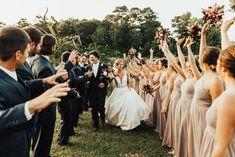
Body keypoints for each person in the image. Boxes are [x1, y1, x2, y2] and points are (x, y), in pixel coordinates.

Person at [0, 26, 70, 157]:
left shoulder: (12, 72)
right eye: (27, 51)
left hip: (21, 142)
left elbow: (24, 84)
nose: (29, 56)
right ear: (18, 54)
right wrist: (31, 106)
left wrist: (44, 81)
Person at [105, 59, 149, 130]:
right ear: (116, 65)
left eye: (122, 64)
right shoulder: (113, 73)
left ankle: (128, 121)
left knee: (128, 105)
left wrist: (129, 88)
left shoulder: (126, 72)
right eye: (119, 64)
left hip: (126, 89)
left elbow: (128, 82)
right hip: (118, 90)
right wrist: (110, 77)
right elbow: (110, 82)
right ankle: (118, 120)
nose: (121, 66)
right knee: (117, 106)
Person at [88, 50, 109, 131]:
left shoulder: (104, 66)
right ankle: (95, 125)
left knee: (101, 106)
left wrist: (104, 83)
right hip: (92, 90)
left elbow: (109, 77)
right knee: (94, 108)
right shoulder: (89, 67)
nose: (91, 59)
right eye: (90, 58)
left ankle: (102, 117)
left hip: (101, 91)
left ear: (97, 57)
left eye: (92, 57)